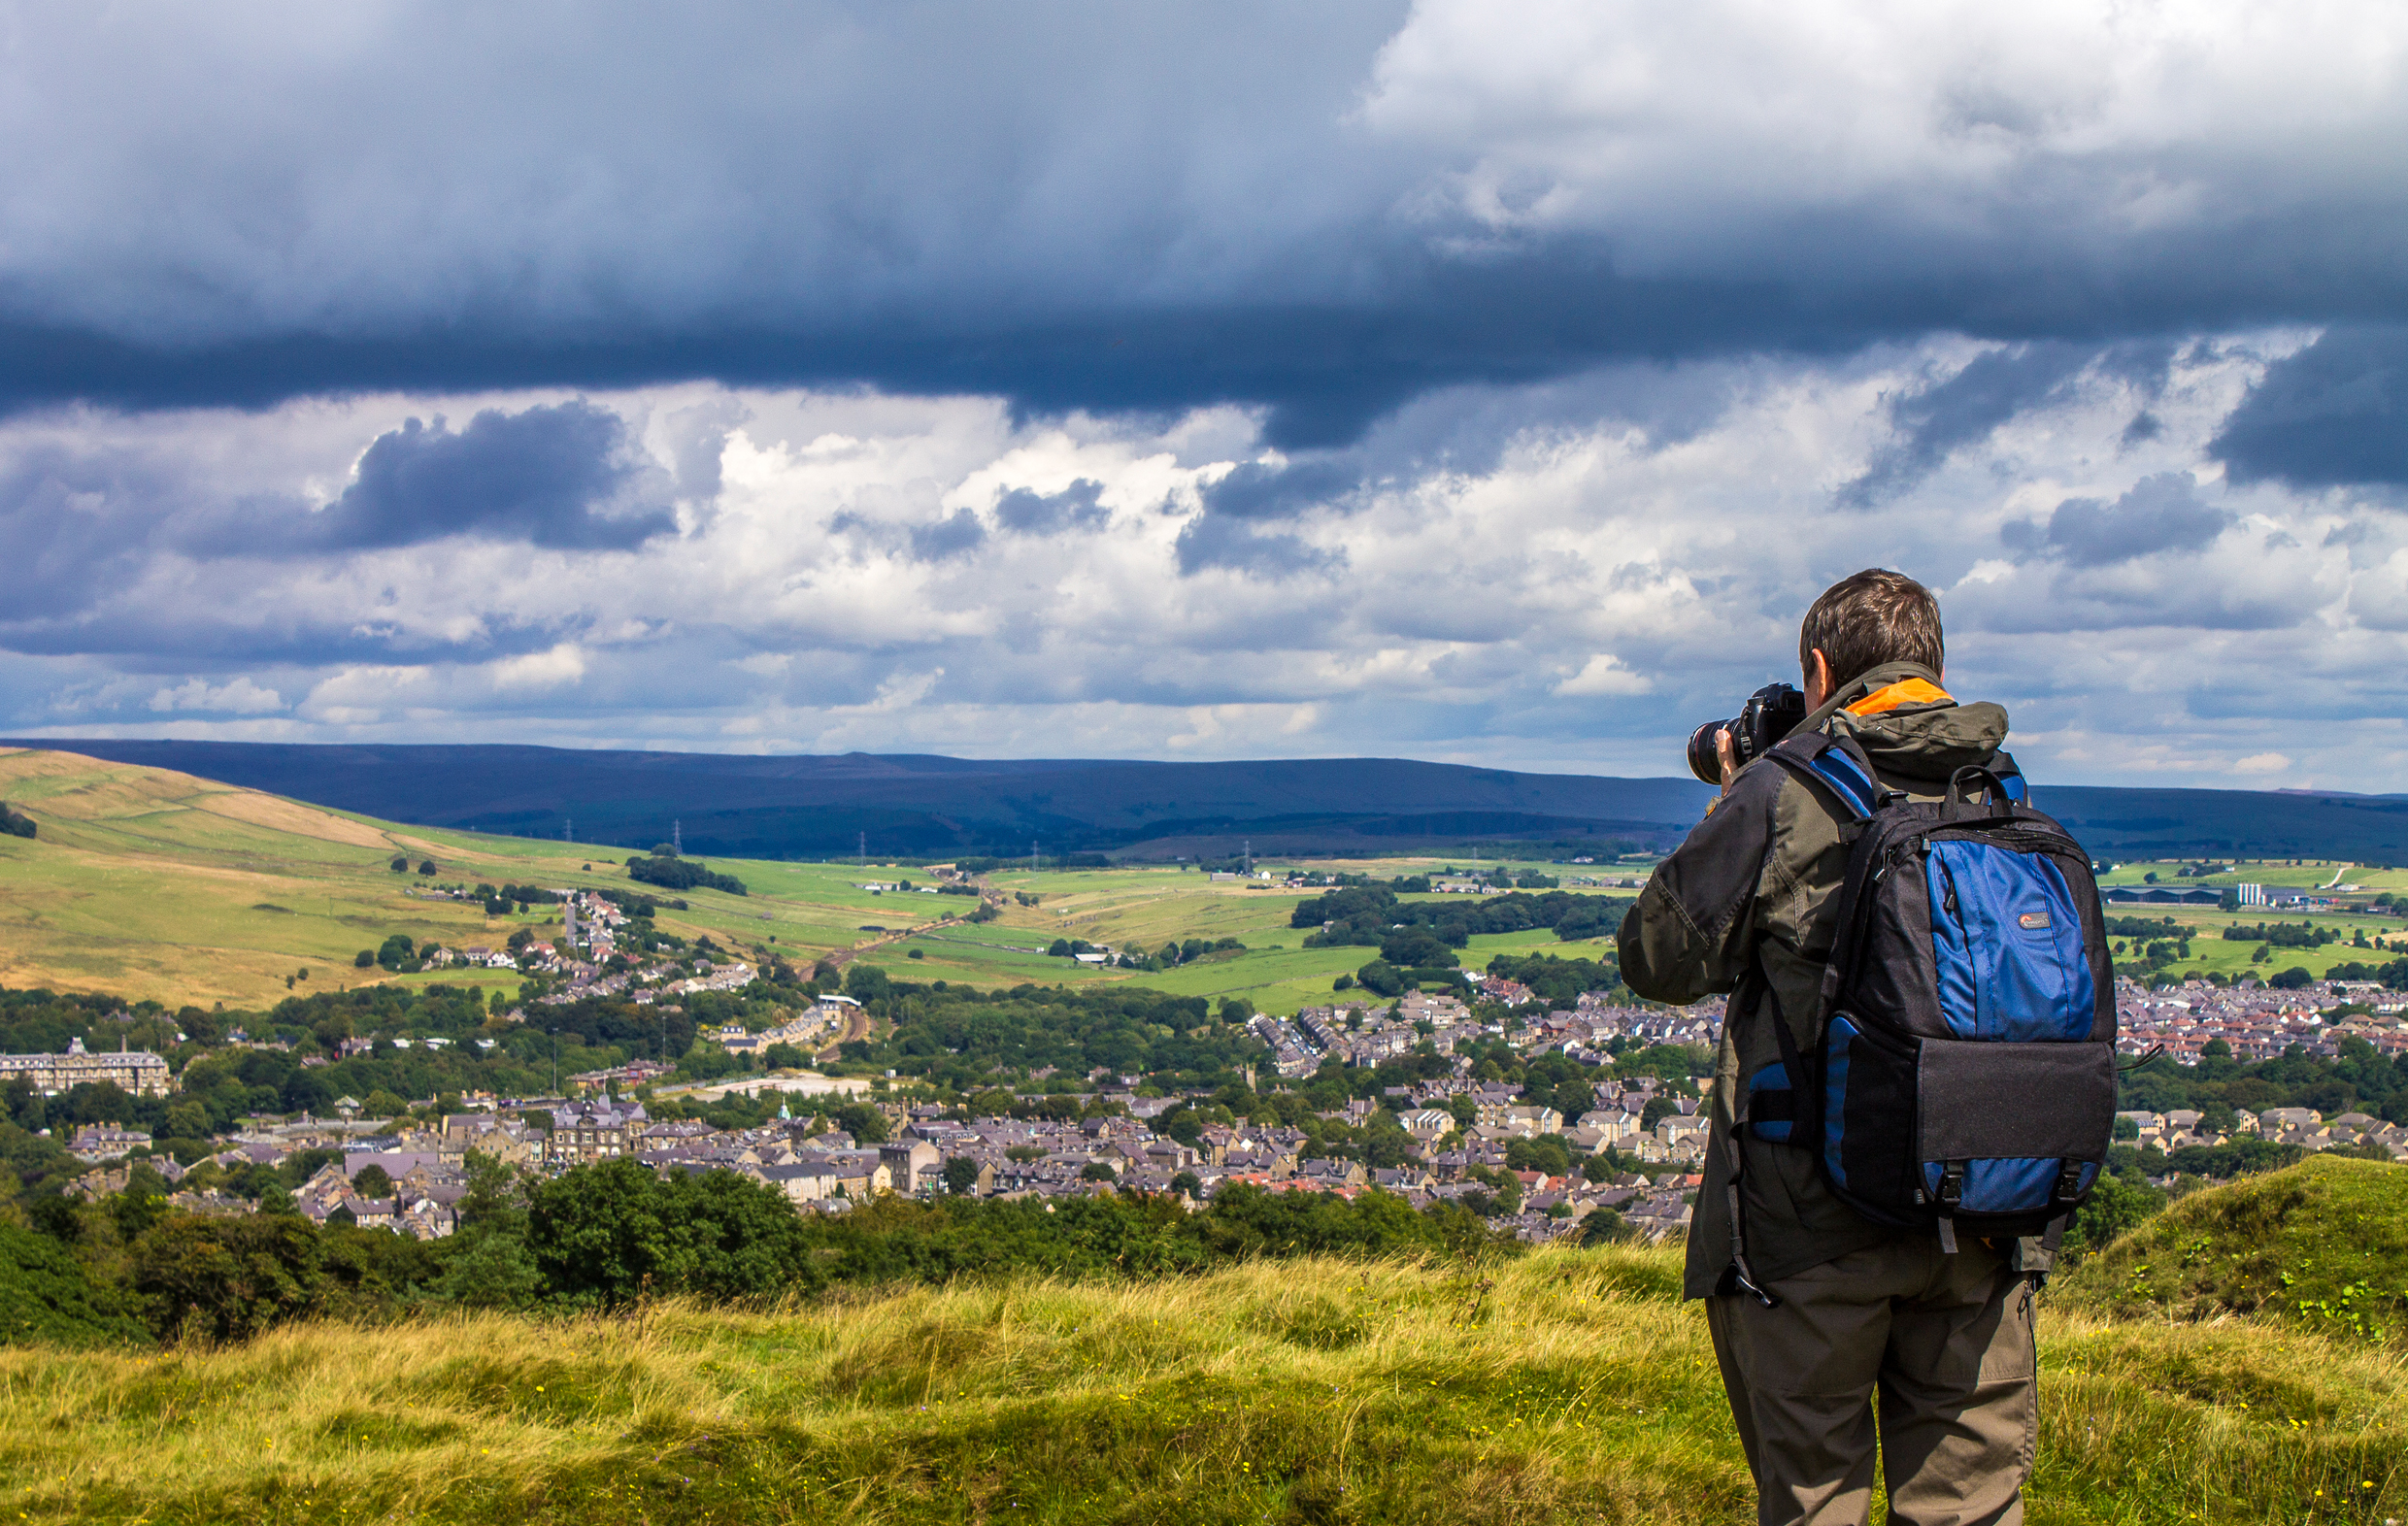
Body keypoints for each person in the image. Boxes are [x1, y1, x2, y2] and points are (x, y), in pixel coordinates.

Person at [1619, 568, 2041, 1526]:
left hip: (1810, 1224)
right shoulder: (1999, 788)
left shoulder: (1782, 790)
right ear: (1931, 667)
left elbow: (1657, 958)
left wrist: (1734, 792)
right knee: (1968, 1508)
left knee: (1816, 1498)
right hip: (1983, 1206)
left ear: (1817, 669)